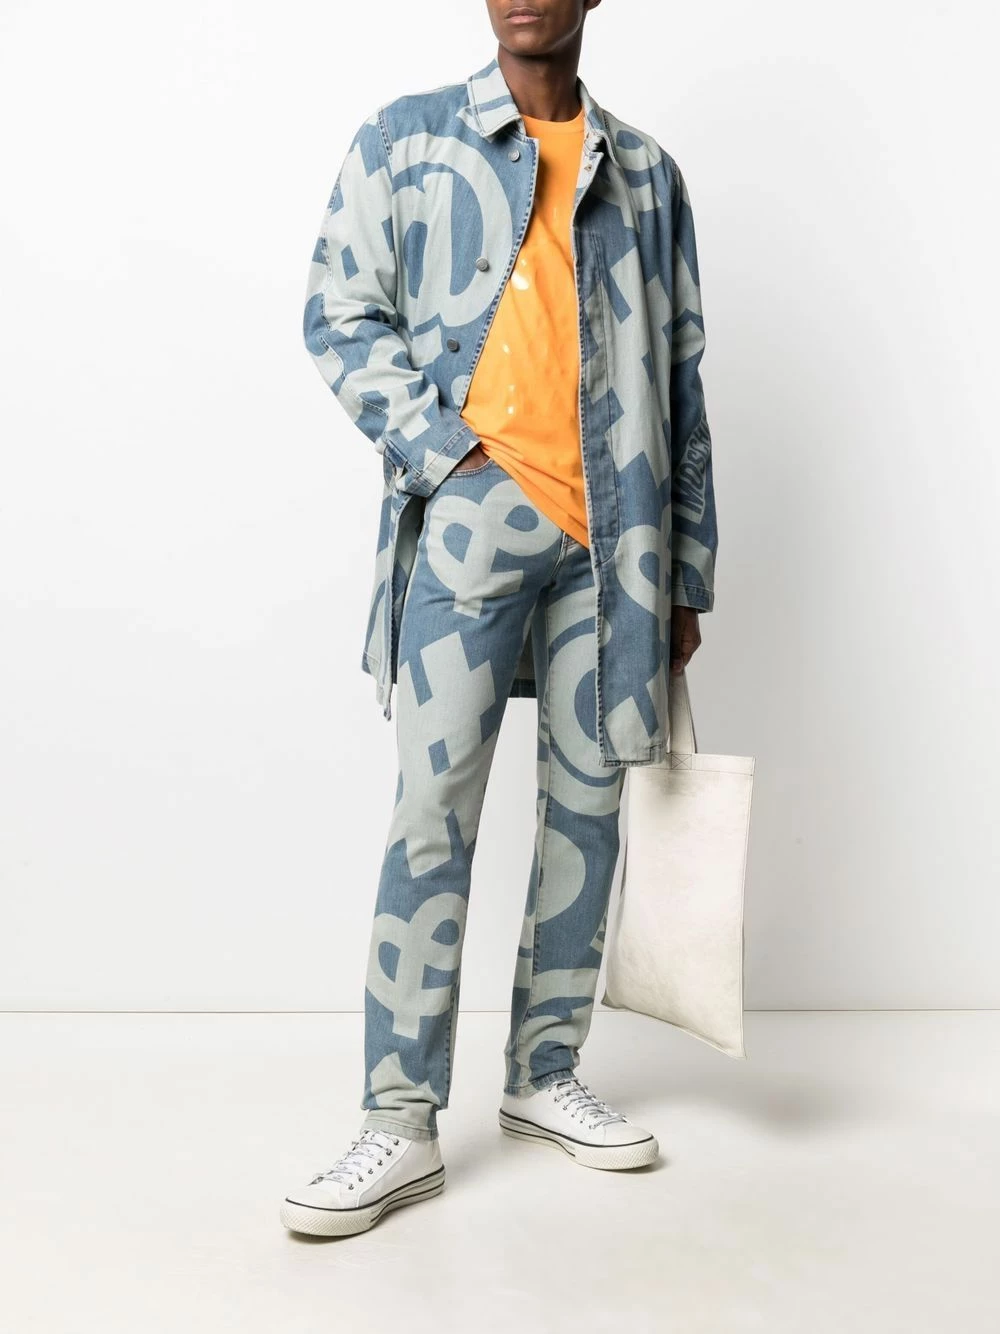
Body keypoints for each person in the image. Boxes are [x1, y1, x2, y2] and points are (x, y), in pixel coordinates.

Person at [281, 0, 718, 1237]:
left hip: (617, 547)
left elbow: (682, 372)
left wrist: (687, 569)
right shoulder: (406, 140)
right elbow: (336, 309)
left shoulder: (648, 175)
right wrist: (447, 454)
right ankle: (398, 1118)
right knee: (433, 811)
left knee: (588, 808)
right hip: (472, 519)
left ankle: (543, 1073)